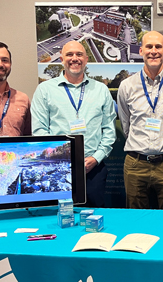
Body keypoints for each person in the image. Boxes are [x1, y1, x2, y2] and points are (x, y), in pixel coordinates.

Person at [31, 41, 116, 208]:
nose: (74, 58)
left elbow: (109, 130)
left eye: (79, 55)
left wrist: (96, 158)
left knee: (94, 219)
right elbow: (40, 130)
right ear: (62, 59)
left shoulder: (101, 90)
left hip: (93, 169)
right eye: (69, 55)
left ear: (86, 59)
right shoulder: (45, 90)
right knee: (59, 218)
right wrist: (63, 159)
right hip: (57, 168)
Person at [117, 31, 163, 209]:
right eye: (149, 47)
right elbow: (126, 123)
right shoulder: (127, 86)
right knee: (135, 219)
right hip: (135, 164)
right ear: (141, 50)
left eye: (158, 46)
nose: (153, 51)